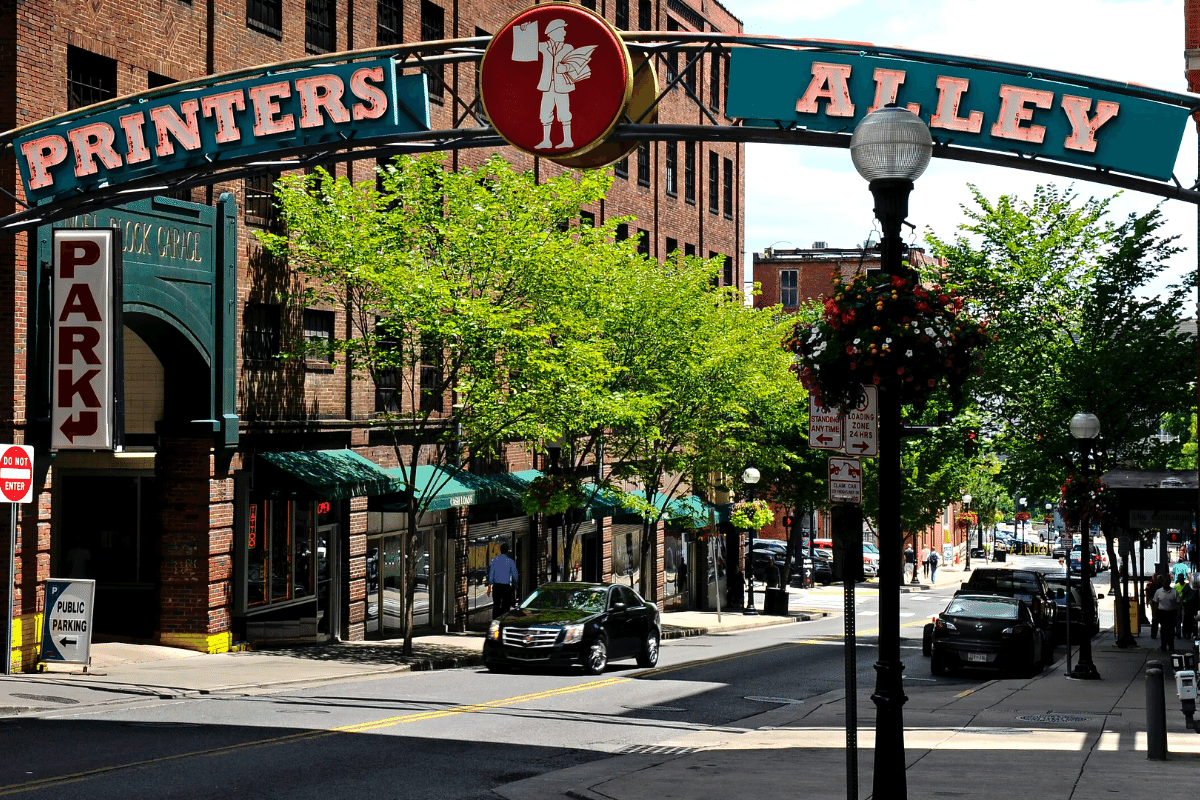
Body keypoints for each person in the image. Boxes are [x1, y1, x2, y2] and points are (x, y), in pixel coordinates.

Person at [487, 542, 519, 620]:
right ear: (507, 551)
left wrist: (489, 586)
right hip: (506, 587)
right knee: (506, 605)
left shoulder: (494, 560)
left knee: (496, 605)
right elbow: (515, 574)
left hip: (497, 586)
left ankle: (495, 621)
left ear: (500, 550)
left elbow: (491, 573)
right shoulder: (510, 561)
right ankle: (504, 621)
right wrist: (516, 583)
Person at [1153, 575, 1182, 652]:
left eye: (1166, 582)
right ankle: (1163, 645)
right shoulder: (1158, 592)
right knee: (1163, 630)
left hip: (1171, 613)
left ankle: (1171, 645)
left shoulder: (1174, 592)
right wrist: (1154, 615)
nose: (1165, 584)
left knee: (1171, 630)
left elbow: (1178, 603)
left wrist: (1178, 614)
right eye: (1164, 582)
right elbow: (1156, 603)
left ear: (1169, 583)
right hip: (1162, 613)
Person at [1146, 574, 1164, 639]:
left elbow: (1148, 594)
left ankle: (1154, 633)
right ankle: (1156, 633)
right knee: (1158, 619)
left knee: (1155, 619)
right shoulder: (1159, 587)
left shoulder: (1153, 585)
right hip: (1157, 604)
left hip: (1155, 604)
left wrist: (1148, 600)